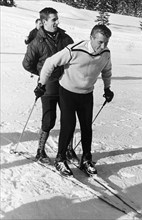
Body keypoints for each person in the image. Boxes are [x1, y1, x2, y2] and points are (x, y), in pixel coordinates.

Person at [34, 24, 114, 176]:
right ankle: (60, 159)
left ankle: (86, 159)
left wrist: (107, 88)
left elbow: (107, 70)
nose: (103, 46)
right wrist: (41, 84)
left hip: (86, 94)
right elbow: (50, 62)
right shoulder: (75, 49)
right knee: (68, 125)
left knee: (86, 127)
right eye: (100, 42)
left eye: (106, 42)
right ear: (91, 38)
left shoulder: (105, 53)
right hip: (68, 92)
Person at [22, 7, 78, 164]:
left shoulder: (65, 38)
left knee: (69, 119)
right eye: (54, 19)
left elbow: (74, 58)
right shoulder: (36, 42)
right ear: (44, 21)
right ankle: (40, 150)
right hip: (47, 86)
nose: (57, 22)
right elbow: (27, 64)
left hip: (66, 84)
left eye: (57, 19)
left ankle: (68, 148)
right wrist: (42, 73)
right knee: (49, 119)